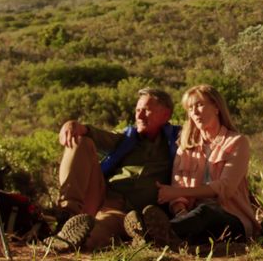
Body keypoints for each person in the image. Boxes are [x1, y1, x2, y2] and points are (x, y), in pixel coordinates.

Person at [124, 84, 259, 246]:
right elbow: (177, 190)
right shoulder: (186, 147)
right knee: (194, 216)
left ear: (216, 107)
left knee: (206, 212)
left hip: (232, 219)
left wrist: (176, 192)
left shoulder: (237, 142)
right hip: (191, 219)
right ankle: (158, 236)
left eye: (200, 105)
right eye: (190, 108)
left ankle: (150, 235)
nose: (194, 112)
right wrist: (180, 210)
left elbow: (225, 188)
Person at [47, 87, 180, 251]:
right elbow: (95, 134)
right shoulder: (126, 138)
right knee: (80, 141)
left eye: (146, 111)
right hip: (108, 201)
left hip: (134, 213)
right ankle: (67, 215)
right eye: (138, 110)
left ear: (166, 115)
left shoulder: (177, 140)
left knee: (96, 233)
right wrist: (72, 125)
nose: (139, 116)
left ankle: (74, 241)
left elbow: (204, 135)